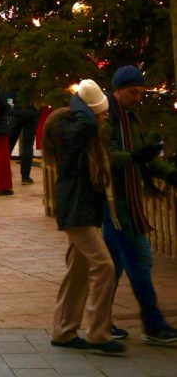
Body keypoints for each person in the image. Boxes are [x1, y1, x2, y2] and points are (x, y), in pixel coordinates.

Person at [43, 78, 126, 356]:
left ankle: (64, 330)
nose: (103, 117)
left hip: (83, 208)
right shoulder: (68, 129)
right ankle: (98, 333)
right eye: (100, 111)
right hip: (76, 209)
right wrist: (81, 99)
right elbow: (88, 124)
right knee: (104, 266)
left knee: (78, 270)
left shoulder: (79, 129)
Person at [103, 65, 177, 345]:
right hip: (115, 200)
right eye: (133, 93)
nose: (137, 98)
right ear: (118, 90)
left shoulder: (131, 118)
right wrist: (135, 158)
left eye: (140, 94)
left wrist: (169, 173)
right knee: (137, 258)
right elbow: (107, 156)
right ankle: (153, 324)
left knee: (113, 264)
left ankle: (102, 321)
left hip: (126, 199)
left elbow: (144, 157)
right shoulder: (108, 117)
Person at [8, 89, 39, 185]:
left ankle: (3, 172)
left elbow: (9, 96)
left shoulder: (13, 82)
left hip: (17, 112)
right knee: (28, 144)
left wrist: (11, 110)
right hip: (32, 112)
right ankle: (25, 177)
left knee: (9, 143)